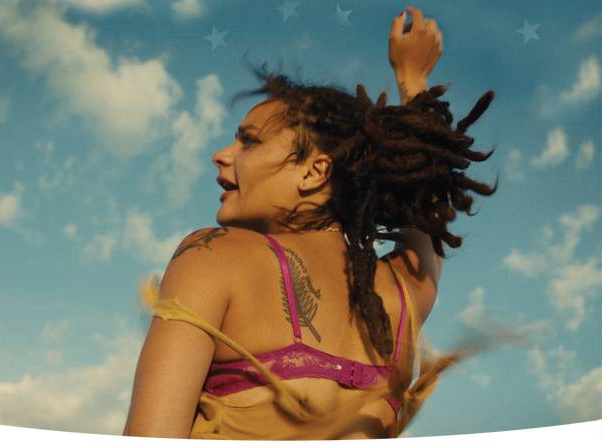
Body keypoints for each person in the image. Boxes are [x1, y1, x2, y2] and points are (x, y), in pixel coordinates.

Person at [123, 5, 498, 440]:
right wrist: (414, 78)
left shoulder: (213, 256)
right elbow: (430, 201)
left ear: (314, 171)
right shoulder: (404, 295)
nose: (221, 155)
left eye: (249, 142)